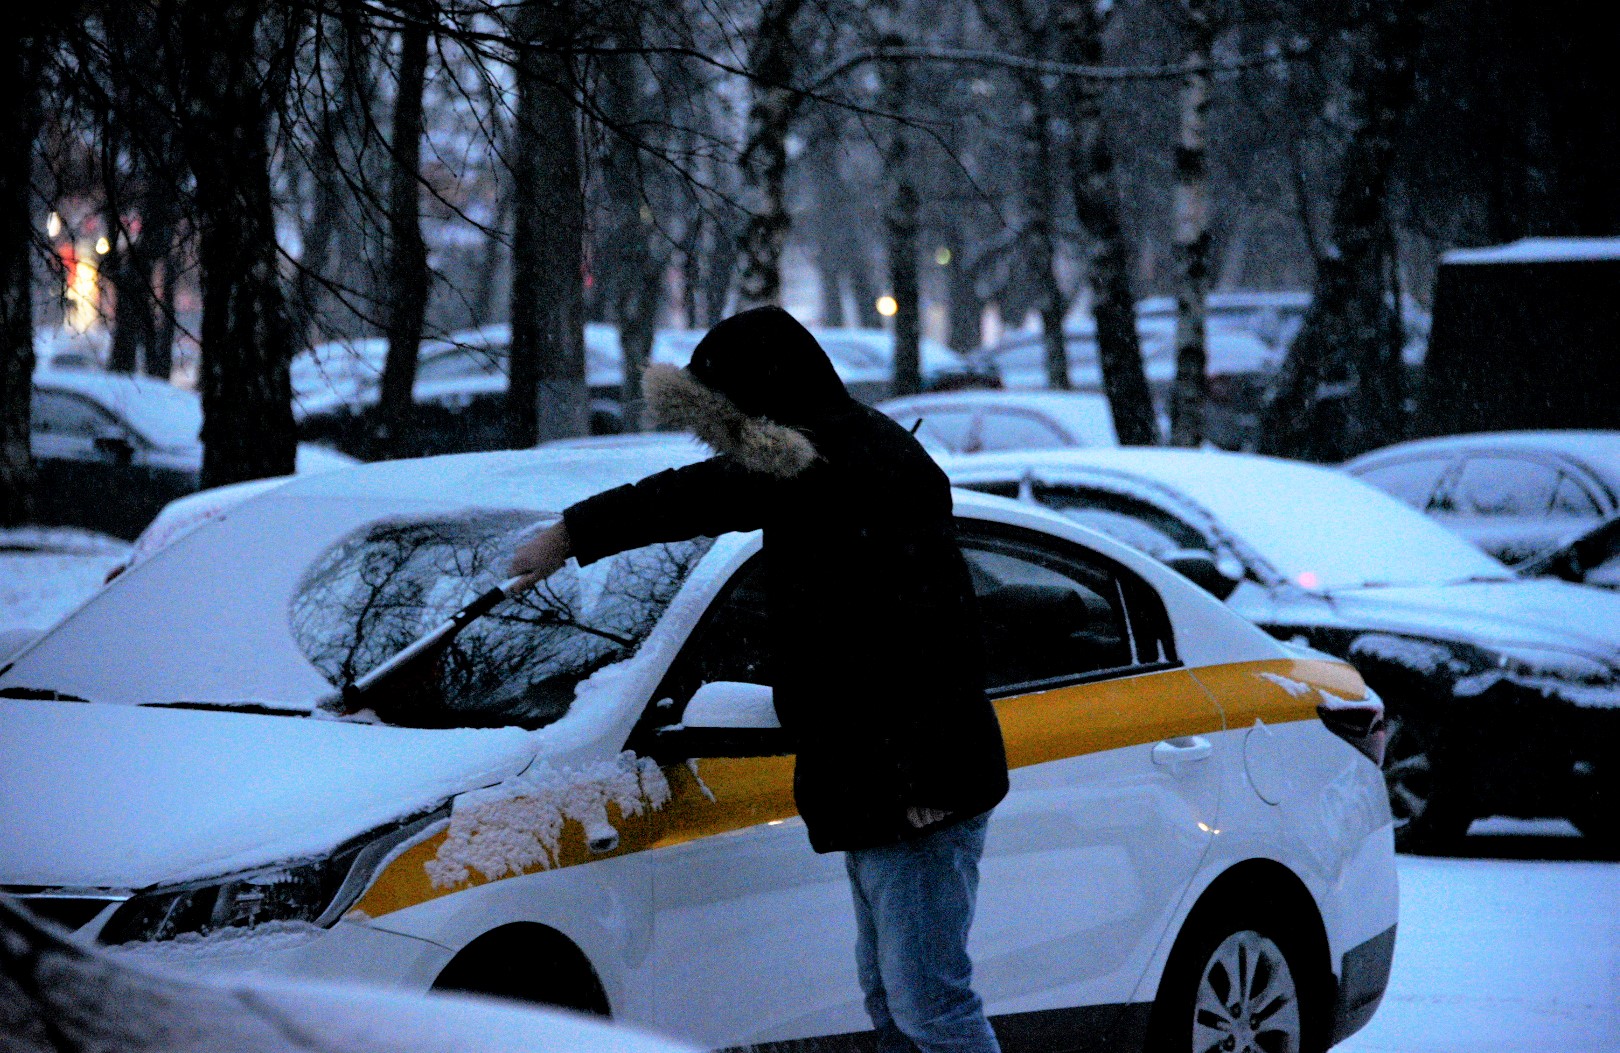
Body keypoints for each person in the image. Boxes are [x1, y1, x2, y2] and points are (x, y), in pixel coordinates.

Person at [510, 306, 1008, 1053]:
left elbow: (936, 636)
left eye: (727, 423)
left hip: (916, 788)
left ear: (763, 406)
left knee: (929, 1003)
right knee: (895, 996)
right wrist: (573, 534)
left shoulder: (852, 468)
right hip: (880, 779)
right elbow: (689, 495)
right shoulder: (816, 461)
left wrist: (920, 782)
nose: (725, 447)